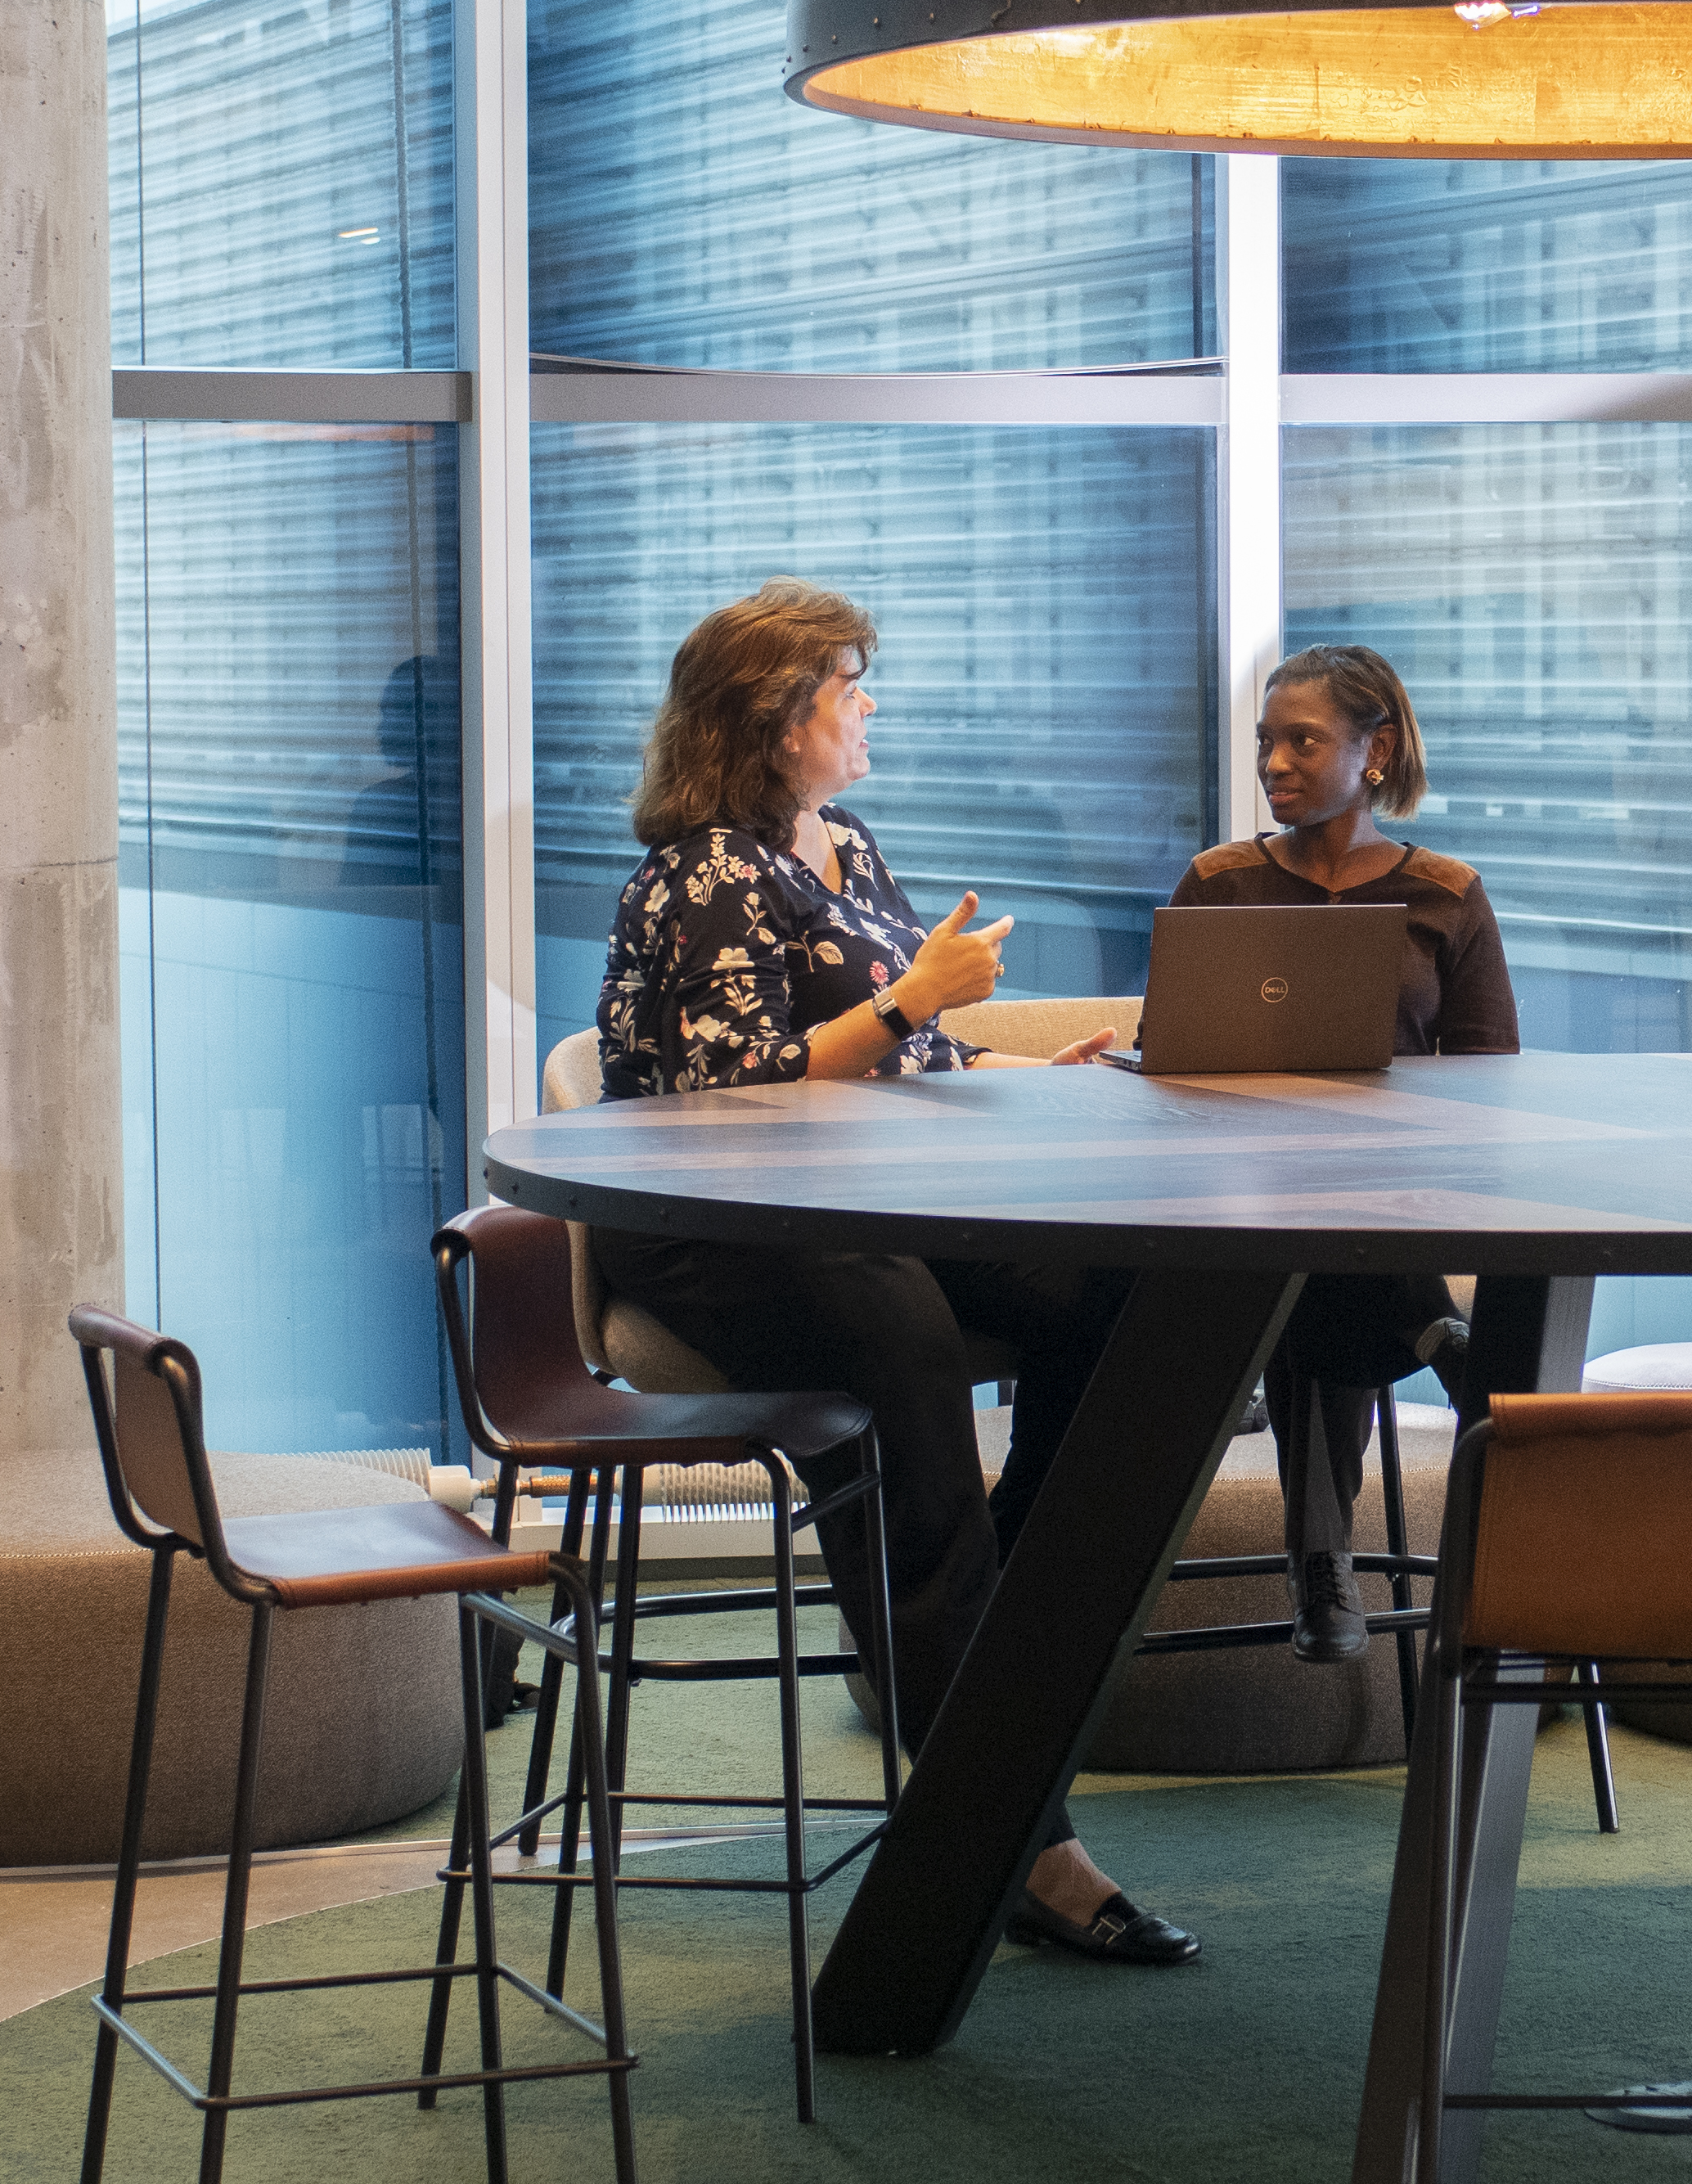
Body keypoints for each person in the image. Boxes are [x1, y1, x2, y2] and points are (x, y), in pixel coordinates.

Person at [592, 581, 1196, 1967]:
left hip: (860, 1198)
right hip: (717, 1221)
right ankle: (1016, 1835)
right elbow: (716, 1098)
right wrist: (917, 1000)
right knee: (910, 1367)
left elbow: (898, 1046)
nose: (866, 709)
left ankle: (1018, 1609)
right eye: (844, 689)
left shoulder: (843, 844)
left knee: (1100, 1298)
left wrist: (1007, 1065)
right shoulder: (698, 876)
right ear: (770, 720)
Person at [1168, 643, 1519, 1661]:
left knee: (1319, 1242)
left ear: (1377, 751)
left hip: (1390, 1195)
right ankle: (1431, 1337)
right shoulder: (1219, 884)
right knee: (1299, 1226)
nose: (1274, 763)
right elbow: (1173, 1067)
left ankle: (1325, 1573)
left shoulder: (1446, 893)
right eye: (1266, 742)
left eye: (1302, 741)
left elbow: (1493, 1080)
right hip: (1239, 1196)